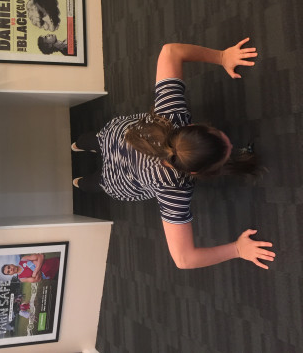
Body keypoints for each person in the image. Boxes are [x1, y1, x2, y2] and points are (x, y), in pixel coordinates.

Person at [73, 38, 276, 270]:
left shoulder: (172, 114)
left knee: (94, 155)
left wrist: (222, 57)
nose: (231, 146)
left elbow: (170, 51)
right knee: (96, 175)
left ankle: (78, 156)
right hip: (116, 172)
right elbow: (183, 259)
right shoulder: (174, 188)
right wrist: (237, 249)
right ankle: (79, 164)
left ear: (193, 127)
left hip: (115, 144)